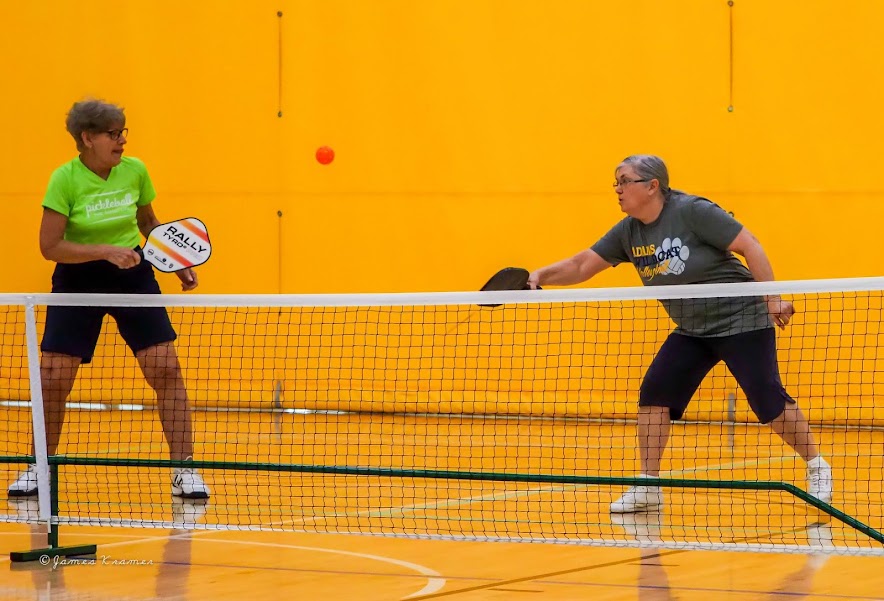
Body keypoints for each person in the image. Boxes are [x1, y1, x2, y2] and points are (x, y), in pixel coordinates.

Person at [528, 154, 832, 513]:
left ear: (652, 186)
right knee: (655, 394)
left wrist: (773, 298)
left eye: (625, 181)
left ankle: (817, 467)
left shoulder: (692, 211)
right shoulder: (628, 232)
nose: (618, 189)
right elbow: (582, 265)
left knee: (767, 399)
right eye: (616, 183)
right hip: (693, 329)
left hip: (742, 319)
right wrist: (540, 276)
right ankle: (649, 485)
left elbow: (750, 244)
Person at [7, 99, 209, 499]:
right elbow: (50, 246)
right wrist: (104, 251)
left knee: (165, 369)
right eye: (113, 134)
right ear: (87, 138)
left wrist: (177, 261)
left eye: (123, 132)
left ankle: (185, 470)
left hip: (132, 275)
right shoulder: (65, 179)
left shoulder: (135, 171)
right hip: (77, 278)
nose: (121, 141)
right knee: (54, 377)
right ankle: (38, 467)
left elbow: (148, 222)